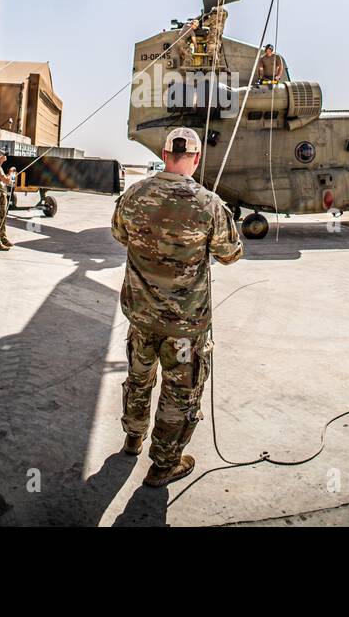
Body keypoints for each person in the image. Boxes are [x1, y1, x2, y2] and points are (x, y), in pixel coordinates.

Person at [110, 127, 243, 487]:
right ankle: (163, 464)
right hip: (184, 327)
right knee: (179, 392)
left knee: (139, 378)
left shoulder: (135, 195)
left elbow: (119, 234)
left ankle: (132, 437)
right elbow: (230, 254)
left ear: (165, 154)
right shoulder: (208, 203)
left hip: (141, 317)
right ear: (196, 159)